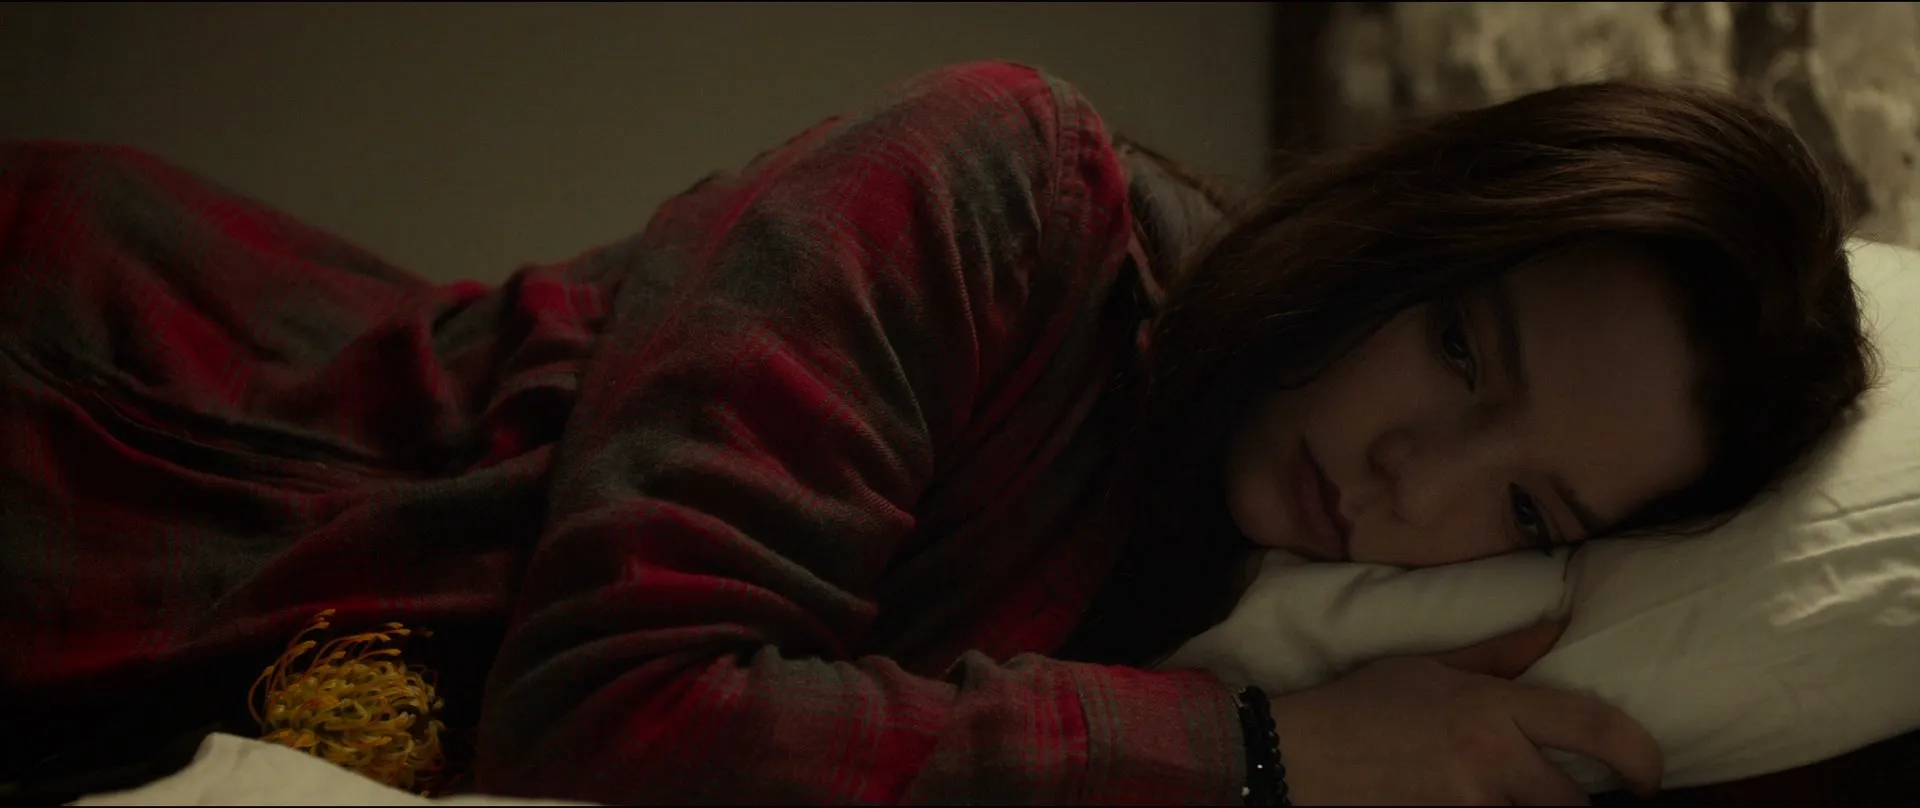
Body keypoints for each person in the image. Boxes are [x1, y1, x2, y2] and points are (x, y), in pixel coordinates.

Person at [0, 60, 1870, 805]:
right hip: (121, 422)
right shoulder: (1000, 189)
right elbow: (614, 705)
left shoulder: (1294, 593)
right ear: (1410, 223)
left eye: (1524, 503)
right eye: (1460, 350)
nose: (1414, 487)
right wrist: (1265, 755)